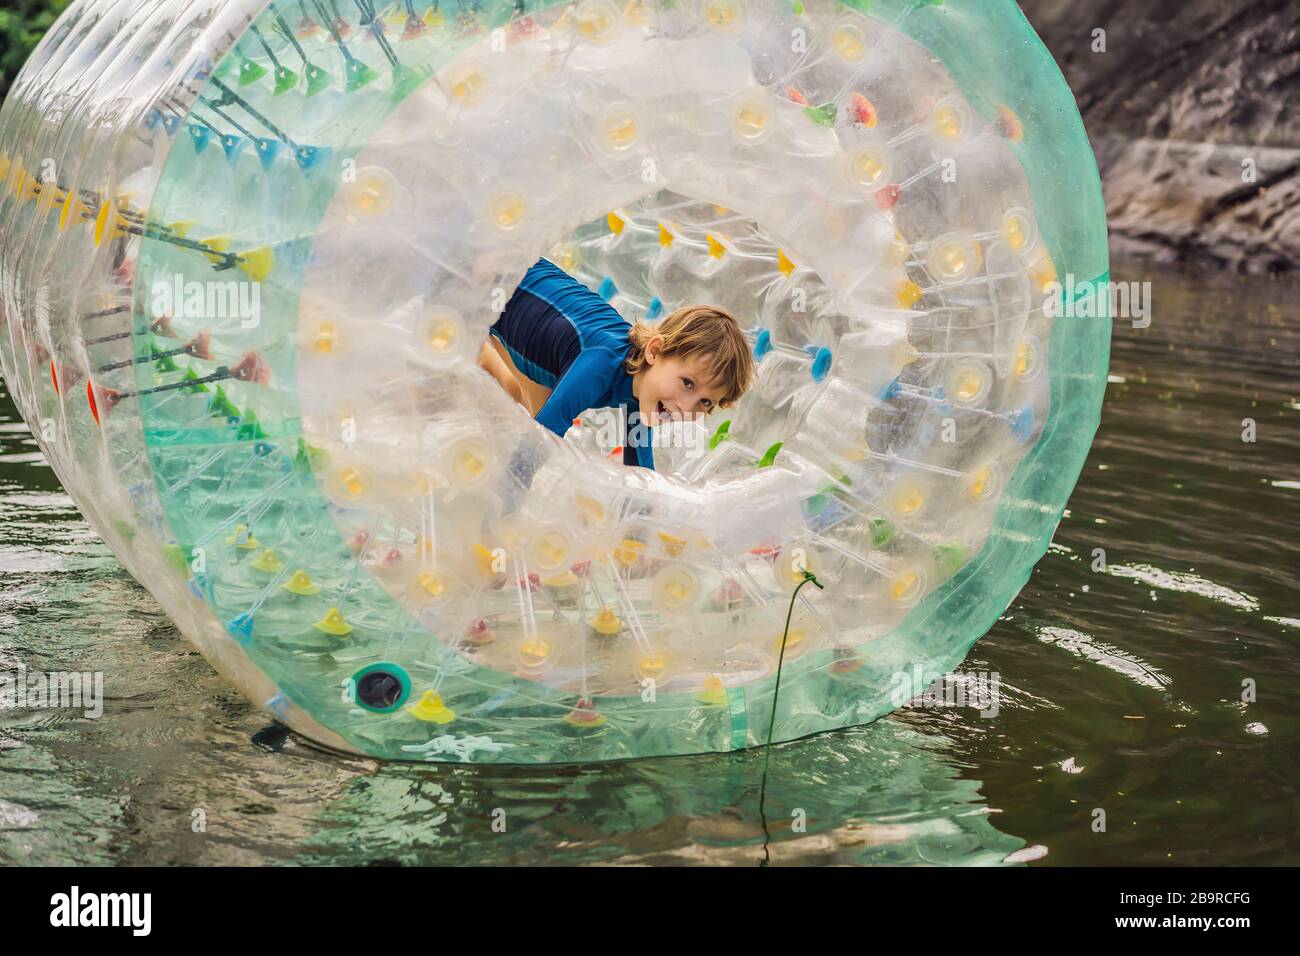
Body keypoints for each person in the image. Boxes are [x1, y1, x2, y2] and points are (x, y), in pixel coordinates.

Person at [478, 257, 754, 469]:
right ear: (655, 351)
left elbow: (640, 471)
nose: (685, 407)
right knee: (545, 423)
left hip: (522, 327)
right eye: (688, 383)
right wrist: (502, 517)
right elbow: (537, 446)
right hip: (490, 277)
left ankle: (484, 354)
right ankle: (479, 352)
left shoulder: (646, 392)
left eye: (705, 402)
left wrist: (641, 530)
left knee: (529, 401)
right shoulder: (601, 364)